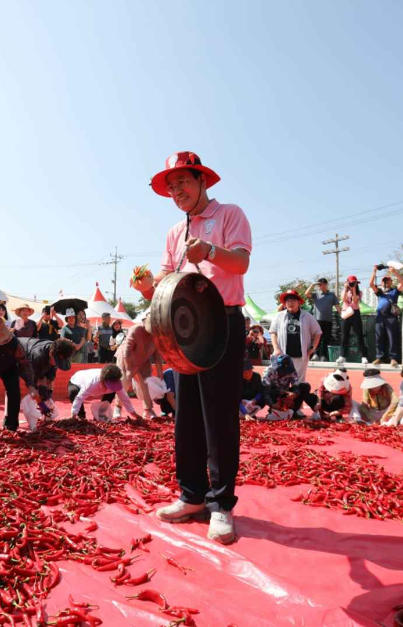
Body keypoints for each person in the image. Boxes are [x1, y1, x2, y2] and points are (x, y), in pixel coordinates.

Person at [133, 151, 251, 545]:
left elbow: (241, 264)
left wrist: (211, 252)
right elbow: (167, 278)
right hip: (184, 328)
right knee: (186, 415)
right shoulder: (173, 232)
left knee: (218, 415)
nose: (176, 191)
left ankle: (222, 506)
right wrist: (150, 288)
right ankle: (191, 496)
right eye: (171, 186)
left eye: (182, 181)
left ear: (202, 180)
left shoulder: (230, 214)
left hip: (223, 322)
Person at [269, 289, 321, 381]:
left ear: (299, 302)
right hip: (282, 355)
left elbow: (318, 332)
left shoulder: (308, 316)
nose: (290, 302)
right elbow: (273, 332)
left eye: (293, 300)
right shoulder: (279, 316)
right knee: (280, 382)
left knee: (298, 383)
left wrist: (312, 348)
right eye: (288, 300)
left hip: (300, 357)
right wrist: (276, 348)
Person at [114, 317, 161, 420]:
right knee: (124, 383)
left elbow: (157, 356)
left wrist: (159, 373)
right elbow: (126, 351)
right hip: (127, 358)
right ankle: (117, 407)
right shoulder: (136, 329)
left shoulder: (158, 335)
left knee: (146, 384)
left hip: (143, 360)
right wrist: (129, 369)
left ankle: (148, 410)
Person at [68, 364, 141, 421]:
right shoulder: (91, 383)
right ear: (102, 380)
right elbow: (79, 398)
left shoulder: (116, 382)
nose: (111, 387)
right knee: (73, 392)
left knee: (112, 392)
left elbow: (124, 398)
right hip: (77, 382)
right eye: (109, 384)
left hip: (94, 387)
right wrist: (73, 415)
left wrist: (134, 414)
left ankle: (100, 415)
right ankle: (81, 416)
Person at [261, 354, 318, 421]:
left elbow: (296, 386)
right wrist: (272, 404)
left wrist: (294, 393)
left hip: (286, 394)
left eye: (285, 372)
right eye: (281, 371)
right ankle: (273, 410)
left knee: (304, 386)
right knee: (267, 391)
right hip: (274, 394)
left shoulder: (292, 371)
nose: (283, 374)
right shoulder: (268, 372)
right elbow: (264, 391)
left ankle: (293, 410)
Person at [21, 337, 76, 403]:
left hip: (34, 359)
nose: (56, 363)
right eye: (56, 360)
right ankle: (7, 412)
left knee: (44, 387)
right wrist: (31, 387)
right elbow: (29, 375)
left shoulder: (57, 352)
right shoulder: (37, 355)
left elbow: (50, 378)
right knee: (12, 386)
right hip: (15, 353)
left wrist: (48, 396)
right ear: (51, 352)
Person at [370, 265, 403, 366]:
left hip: (391, 317)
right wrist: (374, 271)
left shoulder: (395, 291)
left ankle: (393, 358)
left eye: (388, 280)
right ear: (381, 282)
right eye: (384, 280)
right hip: (380, 317)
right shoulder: (379, 292)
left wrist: (394, 272)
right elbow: (371, 284)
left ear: (391, 282)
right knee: (379, 337)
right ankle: (379, 357)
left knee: (392, 338)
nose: (386, 282)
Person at [305, 278, 341, 361]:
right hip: (317, 320)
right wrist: (312, 284)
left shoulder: (332, 295)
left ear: (327, 284)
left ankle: (323, 356)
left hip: (328, 320)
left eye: (324, 284)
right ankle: (315, 355)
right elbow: (306, 294)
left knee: (326, 338)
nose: (322, 285)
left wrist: (342, 314)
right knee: (317, 339)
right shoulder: (316, 294)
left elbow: (337, 306)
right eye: (320, 284)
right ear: (318, 286)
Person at [339, 276, 369, 365]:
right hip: (346, 313)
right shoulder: (344, 291)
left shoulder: (359, 292)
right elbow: (343, 299)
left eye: (354, 283)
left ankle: (363, 356)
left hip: (355, 313)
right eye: (351, 283)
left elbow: (355, 301)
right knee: (344, 335)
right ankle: (342, 356)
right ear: (347, 283)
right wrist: (345, 288)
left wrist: (354, 289)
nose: (353, 284)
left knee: (359, 335)